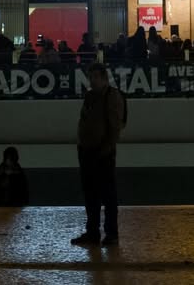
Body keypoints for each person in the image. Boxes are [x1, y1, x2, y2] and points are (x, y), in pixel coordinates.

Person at [71, 60, 126, 247]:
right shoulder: (90, 97)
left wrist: (106, 149)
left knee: (108, 195)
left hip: (102, 153)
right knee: (91, 195)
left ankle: (111, 233)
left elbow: (115, 127)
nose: (92, 81)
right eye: (90, 77)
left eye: (95, 77)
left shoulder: (112, 96)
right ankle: (93, 231)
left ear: (104, 78)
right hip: (87, 152)